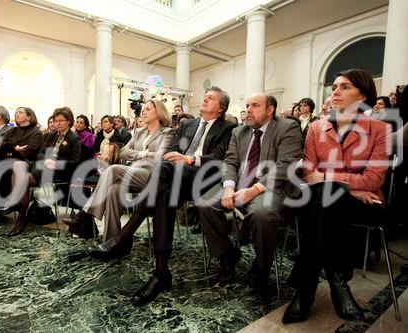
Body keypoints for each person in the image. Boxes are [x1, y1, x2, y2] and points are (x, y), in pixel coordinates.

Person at [88, 86, 236, 306]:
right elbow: (170, 151)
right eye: (205, 96)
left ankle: (124, 236)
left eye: (211, 98)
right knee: (163, 191)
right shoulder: (189, 124)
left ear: (221, 107)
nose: (204, 98)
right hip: (173, 178)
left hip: (202, 177)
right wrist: (176, 158)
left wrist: (189, 160)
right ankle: (161, 271)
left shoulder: (228, 128)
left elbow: (219, 158)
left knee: (163, 172)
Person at [282, 69, 391, 324]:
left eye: (345, 87)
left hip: (365, 203)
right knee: (324, 198)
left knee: (321, 198)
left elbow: (374, 179)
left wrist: (329, 178)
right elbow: (310, 174)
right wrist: (348, 184)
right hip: (332, 199)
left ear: (362, 95)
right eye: (334, 87)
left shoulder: (380, 129)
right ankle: (338, 282)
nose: (335, 91)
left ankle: (304, 289)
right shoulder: (316, 128)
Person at [198, 93, 302, 290]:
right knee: (205, 203)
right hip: (239, 183)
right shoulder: (239, 132)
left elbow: (285, 166)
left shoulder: (287, 127)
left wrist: (253, 190)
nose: (249, 110)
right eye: (247, 105)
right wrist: (228, 187)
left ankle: (262, 265)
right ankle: (227, 254)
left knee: (261, 213)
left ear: (270, 110)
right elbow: (230, 162)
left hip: (272, 186)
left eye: (255, 105)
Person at [63, 99, 174, 240]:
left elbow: (159, 157)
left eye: (148, 109)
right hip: (133, 171)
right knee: (113, 189)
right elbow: (122, 152)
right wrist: (144, 154)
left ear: (158, 112)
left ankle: (84, 215)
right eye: (143, 109)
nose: (143, 111)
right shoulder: (139, 132)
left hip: (153, 175)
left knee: (113, 169)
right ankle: (112, 240)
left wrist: (137, 155)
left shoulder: (167, 133)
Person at [3, 107, 81, 236]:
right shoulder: (50, 136)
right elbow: (40, 154)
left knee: (20, 176)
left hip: (59, 172)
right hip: (42, 167)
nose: (57, 123)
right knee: (18, 166)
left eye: (61, 120)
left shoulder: (73, 139)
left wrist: (56, 163)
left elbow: (75, 161)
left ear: (69, 121)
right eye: (56, 121)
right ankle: (22, 212)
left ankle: (20, 210)